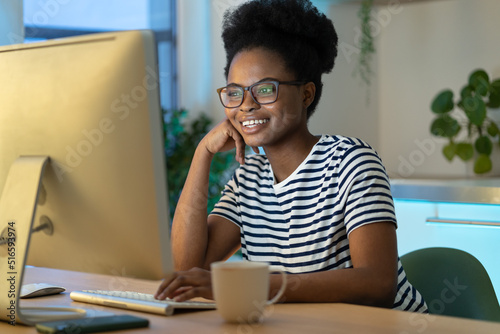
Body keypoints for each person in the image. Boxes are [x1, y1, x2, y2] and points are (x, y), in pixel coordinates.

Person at [155, 0, 427, 312]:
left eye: (264, 90)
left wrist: (254, 287)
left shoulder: (351, 162)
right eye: (234, 92)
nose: (246, 105)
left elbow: (377, 285)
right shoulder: (249, 177)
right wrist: (202, 154)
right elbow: (191, 268)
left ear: (306, 94)